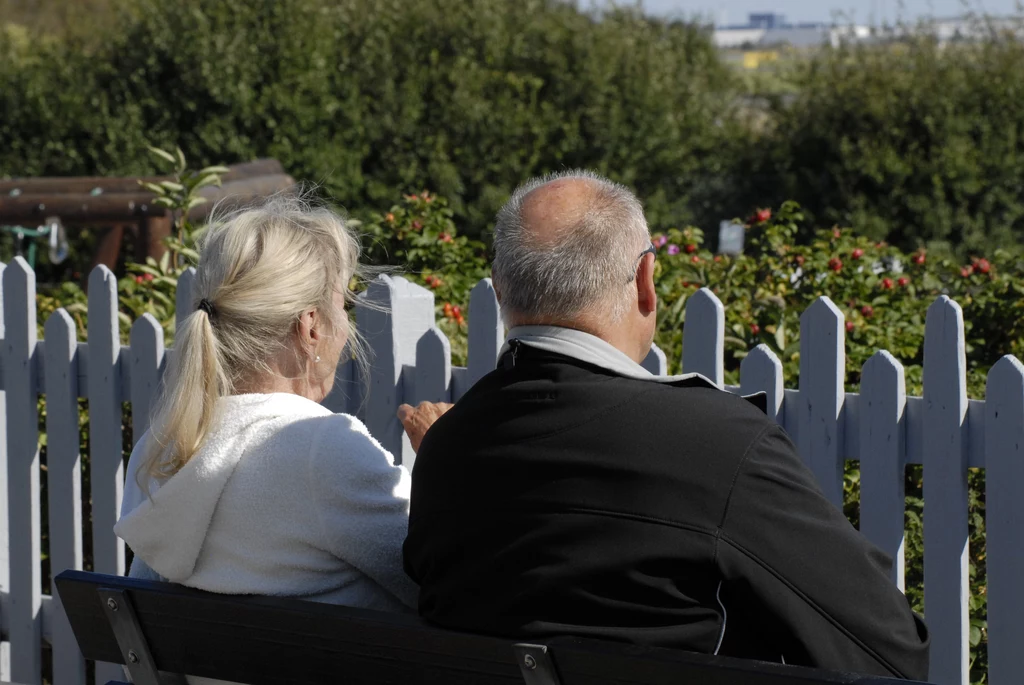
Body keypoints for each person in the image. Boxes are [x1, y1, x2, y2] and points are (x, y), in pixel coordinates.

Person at [403, 171, 930, 680]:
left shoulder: (446, 448)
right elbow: (890, 651)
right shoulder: (715, 444)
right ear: (645, 282)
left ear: (499, 293)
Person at [116, 197, 418, 615]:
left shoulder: (159, 450)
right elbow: (448, 584)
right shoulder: (322, 451)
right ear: (310, 325)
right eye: (342, 305)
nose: (347, 326)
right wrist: (447, 465)